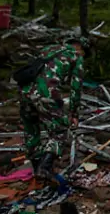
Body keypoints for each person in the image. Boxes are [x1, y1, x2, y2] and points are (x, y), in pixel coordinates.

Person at [19, 38, 87, 180]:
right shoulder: (76, 56)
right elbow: (76, 87)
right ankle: (44, 167)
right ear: (80, 48)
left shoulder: (50, 48)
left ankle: (36, 165)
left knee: (31, 129)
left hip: (25, 92)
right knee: (60, 129)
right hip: (47, 94)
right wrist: (74, 113)